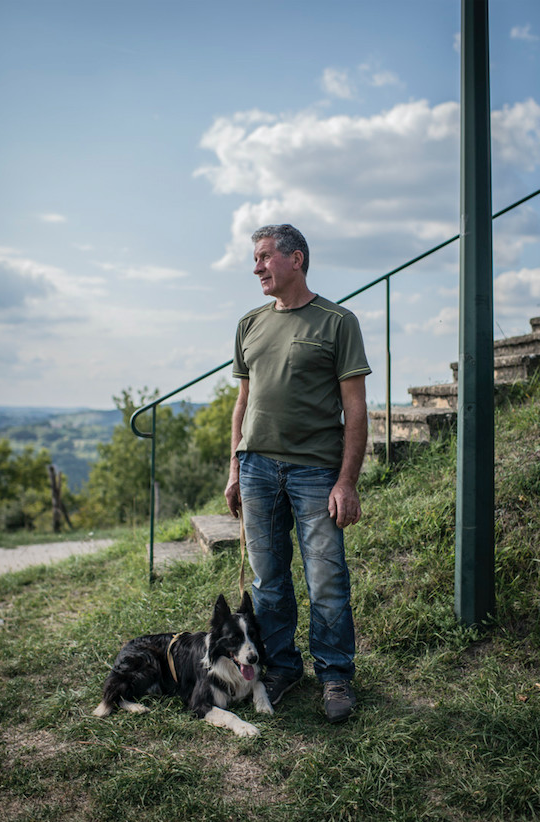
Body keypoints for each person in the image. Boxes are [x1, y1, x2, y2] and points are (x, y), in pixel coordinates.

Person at [225, 224, 371, 723]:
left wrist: (346, 481)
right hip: (257, 468)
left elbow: (356, 409)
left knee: (326, 578)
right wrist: (234, 468)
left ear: (297, 259)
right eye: (256, 258)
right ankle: (282, 668)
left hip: (315, 472)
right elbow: (243, 402)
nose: (257, 266)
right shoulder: (249, 323)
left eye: (265, 257)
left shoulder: (337, 321)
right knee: (268, 581)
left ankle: (335, 675)